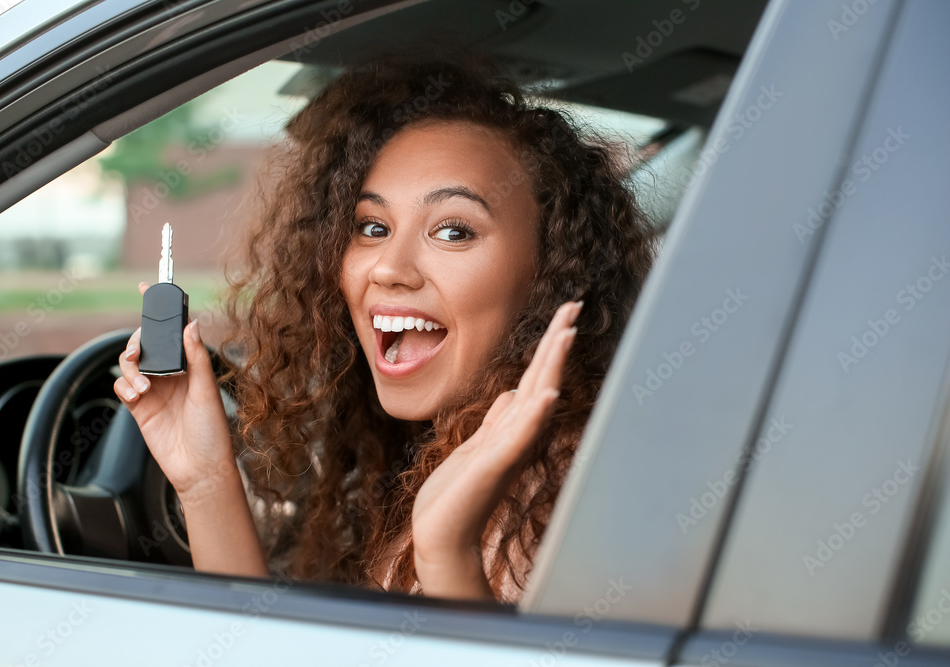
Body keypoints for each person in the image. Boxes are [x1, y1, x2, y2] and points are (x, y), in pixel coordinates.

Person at [113, 49, 655, 604]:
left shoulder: (565, 491)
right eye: (372, 226)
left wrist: (446, 555)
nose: (389, 268)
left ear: (551, 271)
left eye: (452, 232)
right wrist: (203, 479)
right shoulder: (425, 449)